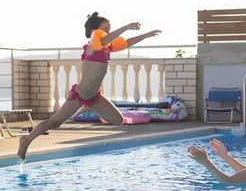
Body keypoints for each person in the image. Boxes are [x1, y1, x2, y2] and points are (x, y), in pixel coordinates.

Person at [18, 12, 162, 160]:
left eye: (109, 29)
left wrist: (146, 35)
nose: (108, 33)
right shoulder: (91, 48)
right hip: (80, 94)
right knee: (55, 122)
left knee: (118, 120)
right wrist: (126, 27)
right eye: (105, 29)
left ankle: (88, 106)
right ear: (95, 32)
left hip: (94, 96)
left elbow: (126, 43)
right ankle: (26, 140)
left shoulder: (107, 47)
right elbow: (105, 38)